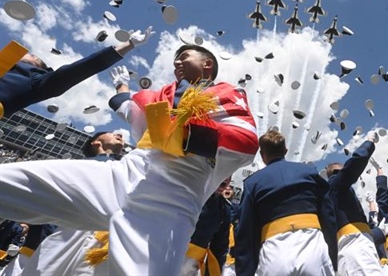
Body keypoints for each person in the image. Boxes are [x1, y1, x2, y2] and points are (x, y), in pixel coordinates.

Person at [0, 44, 259, 275]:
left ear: (207, 64)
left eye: (184, 57)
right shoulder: (166, 92)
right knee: (9, 182)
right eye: (175, 60)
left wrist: (184, 133)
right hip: (128, 170)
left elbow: (245, 141)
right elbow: (130, 106)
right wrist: (121, 86)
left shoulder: (225, 92)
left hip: (175, 189)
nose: (177, 63)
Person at [11, 131, 128, 276]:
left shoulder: (125, 171)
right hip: (62, 234)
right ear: (95, 142)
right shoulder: (75, 167)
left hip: (103, 241)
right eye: (110, 133)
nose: (119, 134)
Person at [235, 130, 337, 276]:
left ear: (263, 155)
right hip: (313, 247)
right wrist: (332, 255)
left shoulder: (252, 183)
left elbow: (246, 233)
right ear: (285, 151)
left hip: (274, 253)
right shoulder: (309, 172)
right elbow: (328, 216)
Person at [0, 27, 154, 118]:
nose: (27, 54)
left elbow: (81, 69)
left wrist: (129, 44)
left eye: (33, 55)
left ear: (36, 65)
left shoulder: (34, 80)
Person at [325, 132, 383, 276]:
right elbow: (353, 165)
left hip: (351, 244)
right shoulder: (335, 183)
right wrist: (369, 143)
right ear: (338, 172)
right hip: (356, 242)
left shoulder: (331, 192)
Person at [180, 177, 232, 276]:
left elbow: (219, 250)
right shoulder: (186, 195)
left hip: (189, 269)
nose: (225, 178)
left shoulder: (223, 209)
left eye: (229, 175)